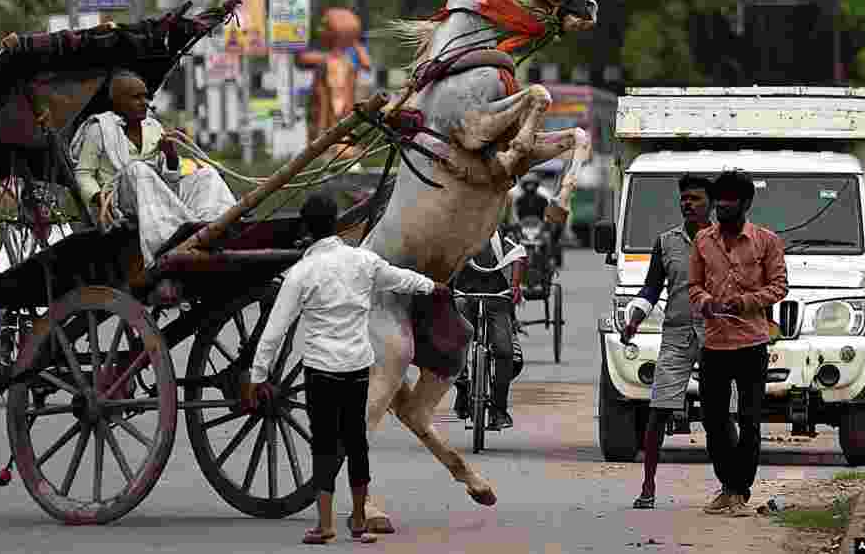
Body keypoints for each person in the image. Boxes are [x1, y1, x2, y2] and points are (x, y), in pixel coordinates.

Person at [243, 193, 449, 545]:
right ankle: (357, 520)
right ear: (335, 223)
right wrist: (434, 287)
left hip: (321, 370)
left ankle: (325, 525)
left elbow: (273, 332)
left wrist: (257, 376)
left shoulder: (301, 272)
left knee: (323, 444)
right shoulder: (363, 262)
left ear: (307, 230)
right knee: (356, 443)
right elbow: (402, 279)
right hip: (356, 367)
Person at [689, 170, 788, 516]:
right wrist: (705, 302)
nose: (722, 208)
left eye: (730, 202)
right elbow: (693, 286)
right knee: (714, 420)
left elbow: (779, 287)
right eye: (719, 202)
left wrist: (744, 302)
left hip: (752, 343)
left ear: (745, 204)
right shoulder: (702, 241)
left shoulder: (767, 241)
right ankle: (728, 485)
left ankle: (739, 491)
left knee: (749, 419)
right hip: (714, 344)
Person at [69, 70, 236, 269]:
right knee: (138, 170)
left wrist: (171, 156)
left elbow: (170, 178)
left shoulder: (154, 127)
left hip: (158, 194)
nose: (145, 102)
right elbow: (84, 174)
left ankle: (217, 228)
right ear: (119, 102)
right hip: (118, 202)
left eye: (145, 96)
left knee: (207, 174)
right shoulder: (99, 129)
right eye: (136, 98)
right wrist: (99, 199)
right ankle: (169, 241)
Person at [622, 174, 715, 509]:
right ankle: (648, 487)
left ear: (712, 204)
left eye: (696, 199)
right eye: (685, 198)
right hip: (676, 334)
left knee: (725, 413)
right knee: (658, 410)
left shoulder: (725, 241)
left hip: (717, 335)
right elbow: (651, 290)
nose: (688, 203)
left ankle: (732, 487)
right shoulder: (666, 242)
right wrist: (634, 319)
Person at [0, 179, 74, 367]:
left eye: (44, 207)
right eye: (34, 208)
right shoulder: (17, 232)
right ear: (26, 210)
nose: (41, 213)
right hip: (23, 298)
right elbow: (2, 263)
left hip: (54, 297)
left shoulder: (63, 230)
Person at [452, 229, 527, 430]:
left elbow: (518, 255)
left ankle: (498, 410)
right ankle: (462, 387)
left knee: (504, 351)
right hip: (464, 296)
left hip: (497, 298)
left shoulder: (499, 237)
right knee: (455, 344)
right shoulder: (459, 233)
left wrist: (515, 286)